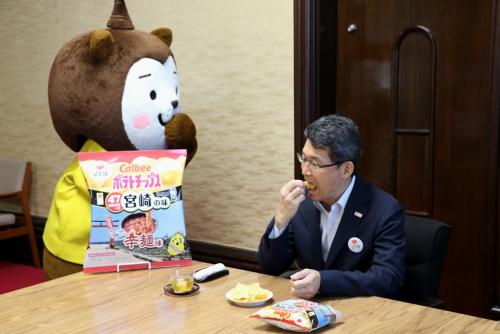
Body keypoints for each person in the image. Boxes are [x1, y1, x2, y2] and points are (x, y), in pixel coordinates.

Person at [258, 114, 405, 299]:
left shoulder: (384, 210)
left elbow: (388, 279)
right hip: (307, 311)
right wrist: (281, 220)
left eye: (315, 163)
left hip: (359, 313)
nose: (305, 171)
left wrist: (323, 281)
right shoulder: (300, 202)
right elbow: (269, 267)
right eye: (303, 159)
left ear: (346, 169)